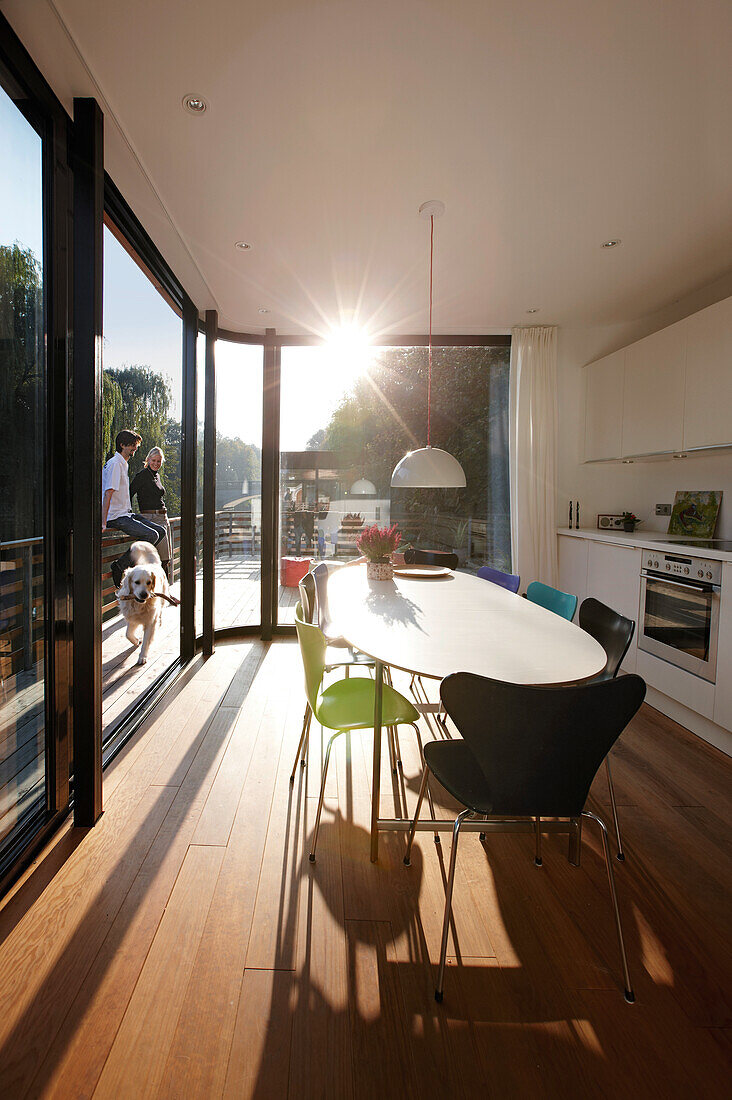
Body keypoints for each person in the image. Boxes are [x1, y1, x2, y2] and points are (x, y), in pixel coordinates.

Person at [102, 430, 166, 588]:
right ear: (122, 445)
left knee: (161, 532)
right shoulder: (115, 464)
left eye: (135, 446)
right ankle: (120, 565)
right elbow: (108, 493)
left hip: (126, 513)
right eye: (132, 445)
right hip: (116, 516)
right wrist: (103, 522)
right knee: (151, 535)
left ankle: (133, 562)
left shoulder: (123, 463)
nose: (135, 449)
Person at [130, 447, 173, 581]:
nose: (156, 463)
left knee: (166, 557)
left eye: (159, 461)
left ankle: (163, 591)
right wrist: (128, 514)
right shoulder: (142, 476)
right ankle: (158, 593)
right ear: (148, 460)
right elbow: (128, 494)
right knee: (157, 559)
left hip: (162, 517)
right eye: (153, 460)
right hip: (150, 518)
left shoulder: (157, 475)